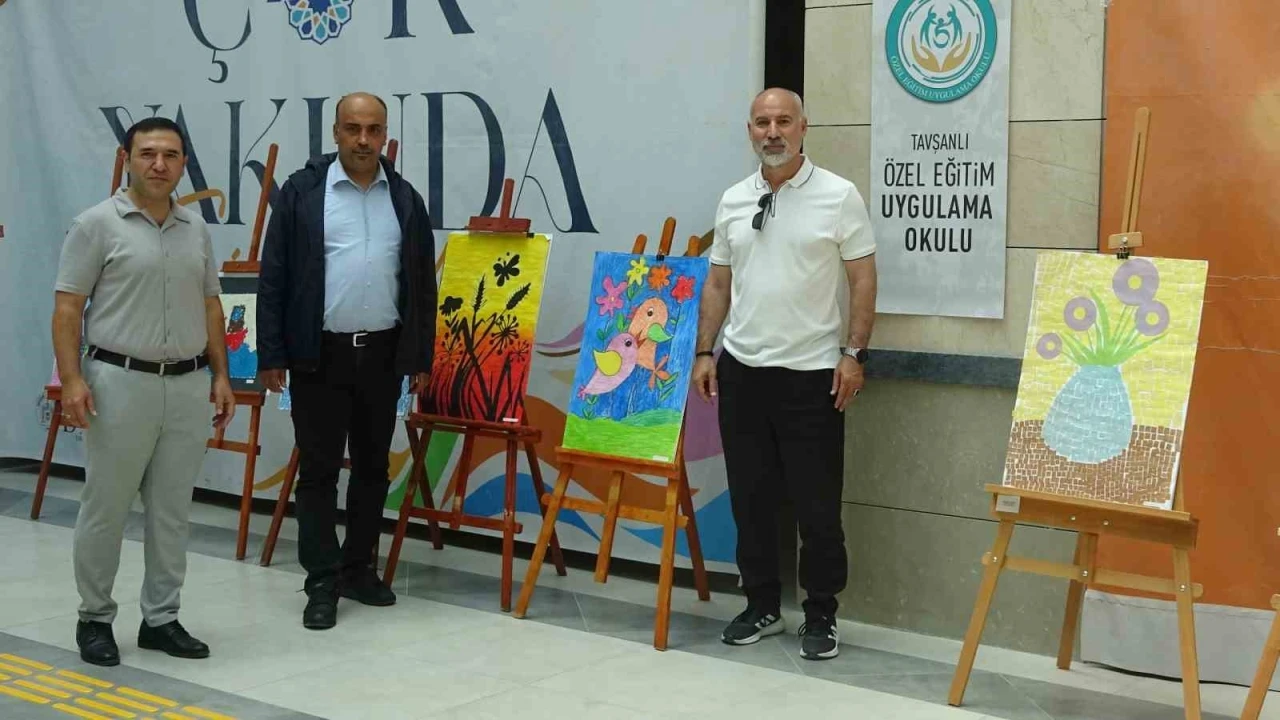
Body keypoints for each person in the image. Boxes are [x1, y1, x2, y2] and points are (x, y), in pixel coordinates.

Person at [693, 88, 877, 661]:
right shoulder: (733, 199)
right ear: (749, 130)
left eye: (783, 121)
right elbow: (718, 283)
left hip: (812, 376)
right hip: (742, 373)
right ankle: (762, 604)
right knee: (751, 501)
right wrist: (705, 352)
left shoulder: (838, 195)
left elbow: (863, 278)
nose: (772, 132)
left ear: (803, 128)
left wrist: (855, 353)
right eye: (762, 122)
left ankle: (821, 613)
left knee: (817, 506)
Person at [52, 117, 236, 666]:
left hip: (187, 384)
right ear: (127, 159)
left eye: (171, 155)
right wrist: (72, 380)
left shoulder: (194, 229)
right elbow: (68, 308)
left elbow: (210, 305)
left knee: (172, 510)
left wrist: (221, 375)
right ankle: (94, 618)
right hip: (118, 383)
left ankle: (161, 618)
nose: (160, 165)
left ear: (183, 164)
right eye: (148, 154)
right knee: (106, 508)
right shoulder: (96, 224)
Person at [257, 92, 436, 630]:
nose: (363, 140)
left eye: (373, 130)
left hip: (382, 354)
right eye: (353, 128)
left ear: (385, 136)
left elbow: (421, 284)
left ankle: (359, 568)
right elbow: (274, 275)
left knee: (374, 469)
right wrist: (273, 352)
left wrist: (418, 355)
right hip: (319, 356)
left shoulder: (404, 198)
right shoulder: (303, 193)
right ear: (335, 132)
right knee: (317, 472)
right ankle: (321, 580)